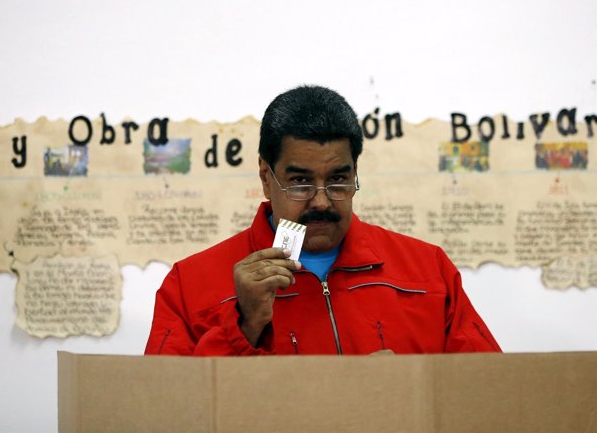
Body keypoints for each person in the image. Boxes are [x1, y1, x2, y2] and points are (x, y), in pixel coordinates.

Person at [144, 85, 501, 355]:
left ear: (355, 173)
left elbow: (484, 388)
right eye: (300, 182)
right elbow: (169, 408)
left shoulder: (428, 269)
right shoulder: (189, 285)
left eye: (338, 180)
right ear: (267, 178)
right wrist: (245, 323)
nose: (321, 200)